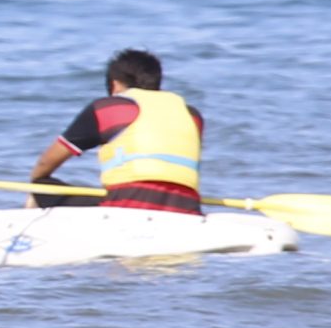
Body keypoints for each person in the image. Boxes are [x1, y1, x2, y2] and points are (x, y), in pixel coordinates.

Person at [28, 49, 203, 213]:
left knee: (42, 185)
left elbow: (46, 163)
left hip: (128, 205)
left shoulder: (110, 108)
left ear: (115, 85)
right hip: (187, 207)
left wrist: (35, 183)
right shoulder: (191, 115)